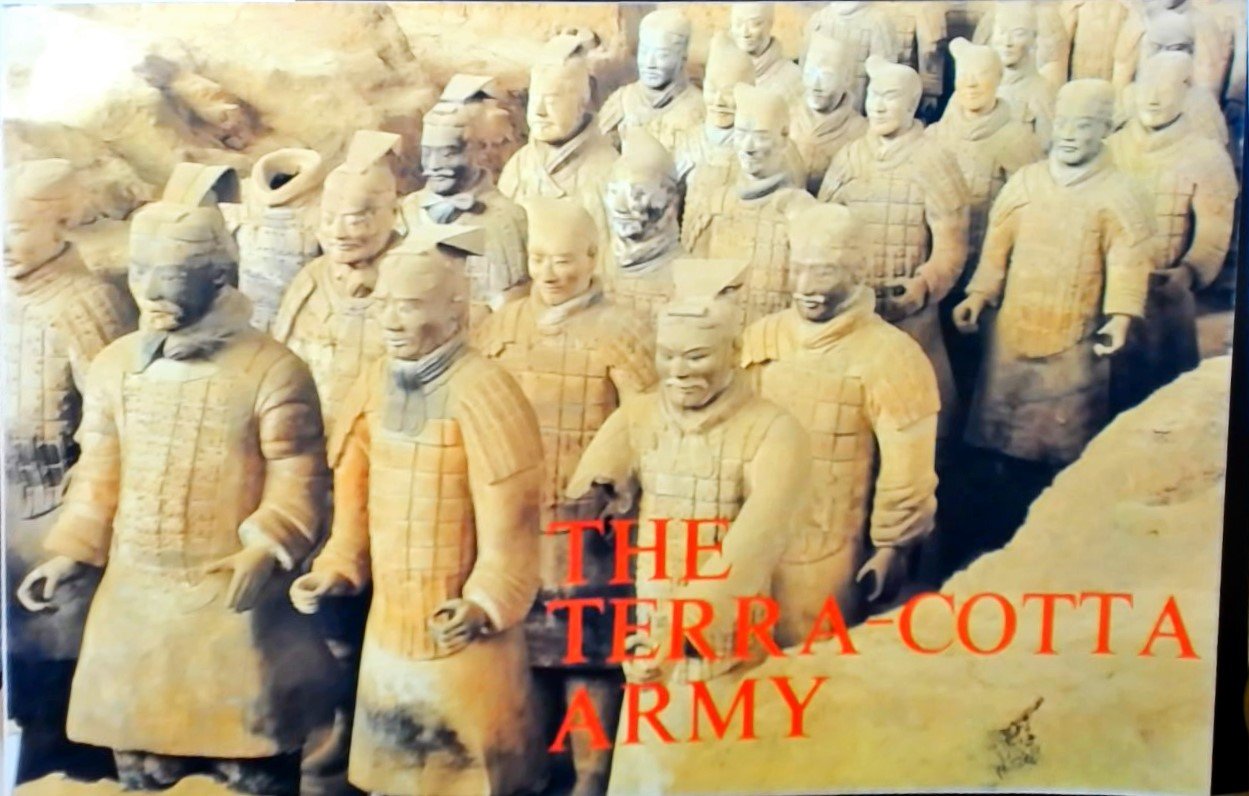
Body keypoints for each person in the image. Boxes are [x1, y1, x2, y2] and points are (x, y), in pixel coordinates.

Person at [18, 164, 335, 795]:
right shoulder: (116, 367)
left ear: (218, 277)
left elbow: (299, 472)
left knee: (252, 770)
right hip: (134, 602)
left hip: (231, 601)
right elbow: (100, 470)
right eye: (141, 274)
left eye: (174, 277)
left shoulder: (272, 370)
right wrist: (72, 552)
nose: (151, 292)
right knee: (141, 766)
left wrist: (268, 545)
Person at [290, 228, 549, 796]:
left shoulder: (487, 392)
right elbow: (353, 510)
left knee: (468, 776)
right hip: (390, 627)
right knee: (393, 772)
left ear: (455, 311)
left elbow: (514, 529)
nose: (389, 320)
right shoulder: (372, 383)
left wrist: (482, 602)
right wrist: (335, 568)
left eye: (407, 306)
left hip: (463, 633)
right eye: (382, 303)